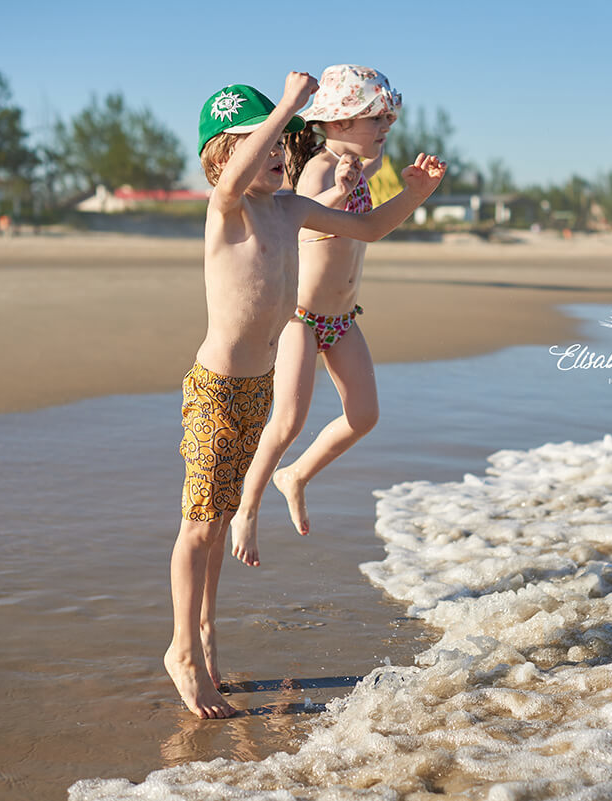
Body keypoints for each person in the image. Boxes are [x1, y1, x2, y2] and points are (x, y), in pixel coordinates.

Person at [165, 72, 446, 719]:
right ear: (221, 155)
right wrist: (289, 102)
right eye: (259, 142)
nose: (276, 150)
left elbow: (368, 229)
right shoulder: (225, 208)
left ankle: (206, 635)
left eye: (281, 143)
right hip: (216, 389)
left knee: (216, 525)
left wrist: (414, 195)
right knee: (199, 526)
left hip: (255, 389)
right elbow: (234, 179)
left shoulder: (290, 209)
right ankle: (180, 648)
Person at [230, 65, 404, 562]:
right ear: (341, 122)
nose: (386, 125)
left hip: (343, 318)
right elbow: (302, 226)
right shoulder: (318, 170)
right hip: (301, 317)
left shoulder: (354, 162)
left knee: (364, 416)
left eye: (388, 116)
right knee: (287, 420)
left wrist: (388, 167)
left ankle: (296, 475)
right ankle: (248, 507)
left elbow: (368, 169)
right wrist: (341, 188)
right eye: (376, 117)